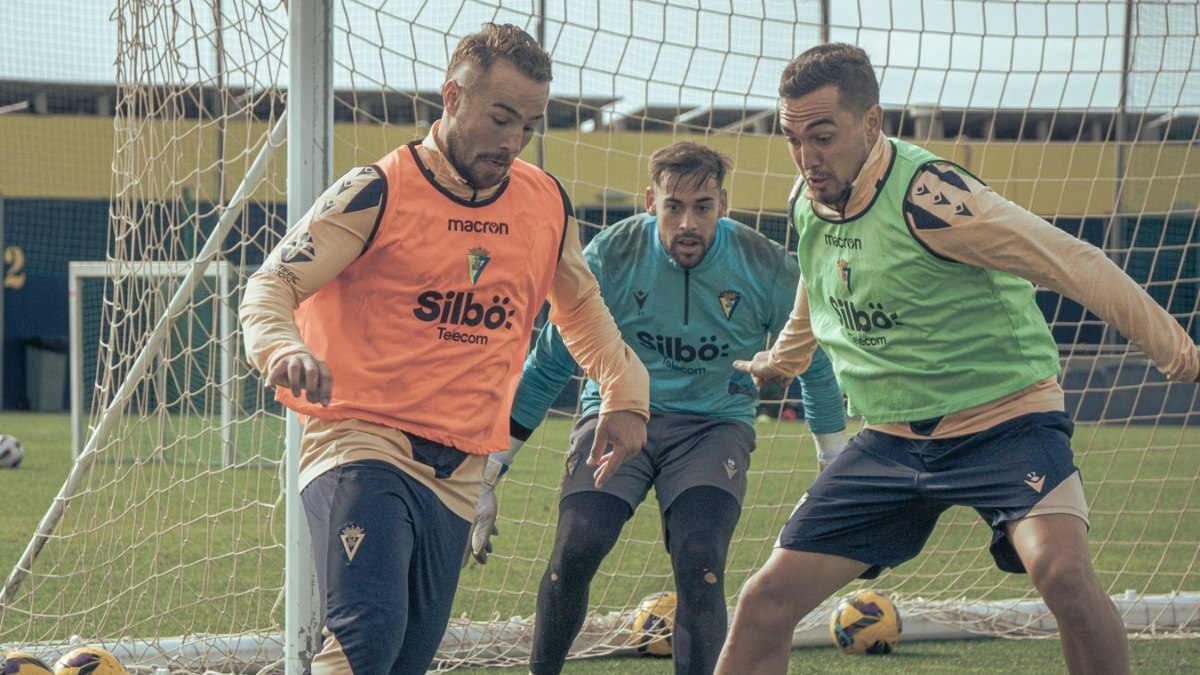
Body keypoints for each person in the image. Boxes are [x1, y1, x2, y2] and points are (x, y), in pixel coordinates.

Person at [715, 43, 1200, 675]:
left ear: (871, 123)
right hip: (889, 442)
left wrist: (1182, 354)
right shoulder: (809, 200)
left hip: (1003, 424)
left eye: (823, 136)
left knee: (1065, 580)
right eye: (793, 137)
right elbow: (819, 272)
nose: (808, 157)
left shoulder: (935, 200)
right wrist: (785, 357)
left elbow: (1073, 262)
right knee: (763, 602)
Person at [238, 23, 650, 675]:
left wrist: (627, 394)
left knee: (406, 658)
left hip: (460, 472)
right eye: (501, 118)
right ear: (452, 96)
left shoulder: (545, 204)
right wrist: (281, 348)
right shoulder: (375, 190)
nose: (513, 142)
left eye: (529, 124)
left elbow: (581, 308)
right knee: (368, 637)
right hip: (361, 440)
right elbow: (272, 284)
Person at [467, 142, 848, 675]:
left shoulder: (765, 265)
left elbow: (813, 360)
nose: (688, 222)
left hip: (713, 427)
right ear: (651, 202)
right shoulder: (611, 256)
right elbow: (549, 363)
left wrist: (833, 462)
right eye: (674, 206)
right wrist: (490, 469)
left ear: (724, 204)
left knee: (701, 563)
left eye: (703, 207)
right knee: (577, 549)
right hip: (617, 415)